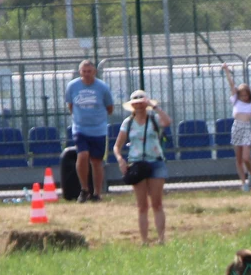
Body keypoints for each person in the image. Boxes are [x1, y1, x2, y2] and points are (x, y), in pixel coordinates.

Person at [114, 90, 173, 246]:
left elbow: (167, 122)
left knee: (157, 203)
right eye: (136, 103)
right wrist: (121, 160)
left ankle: (161, 239)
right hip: (137, 164)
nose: (139, 106)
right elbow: (117, 146)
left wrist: (155, 108)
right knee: (142, 205)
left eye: (142, 102)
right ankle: (144, 240)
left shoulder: (154, 119)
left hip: (156, 162)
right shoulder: (127, 123)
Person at [65, 59, 114, 203]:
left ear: (95, 72)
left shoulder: (102, 87)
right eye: (84, 71)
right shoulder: (72, 86)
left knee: (97, 161)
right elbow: (71, 106)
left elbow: (110, 108)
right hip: (80, 128)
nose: (87, 74)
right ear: (80, 72)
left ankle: (97, 193)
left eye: (89, 71)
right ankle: (84, 189)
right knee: (83, 154)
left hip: (98, 129)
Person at [221, 61, 251, 191]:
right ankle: (243, 183)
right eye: (241, 95)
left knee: (246, 157)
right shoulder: (235, 100)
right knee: (239, 158)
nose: (244, 97)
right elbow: (231, 84)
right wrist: (226, 70)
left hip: (246, 127)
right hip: (236, 127)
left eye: (246, 95)